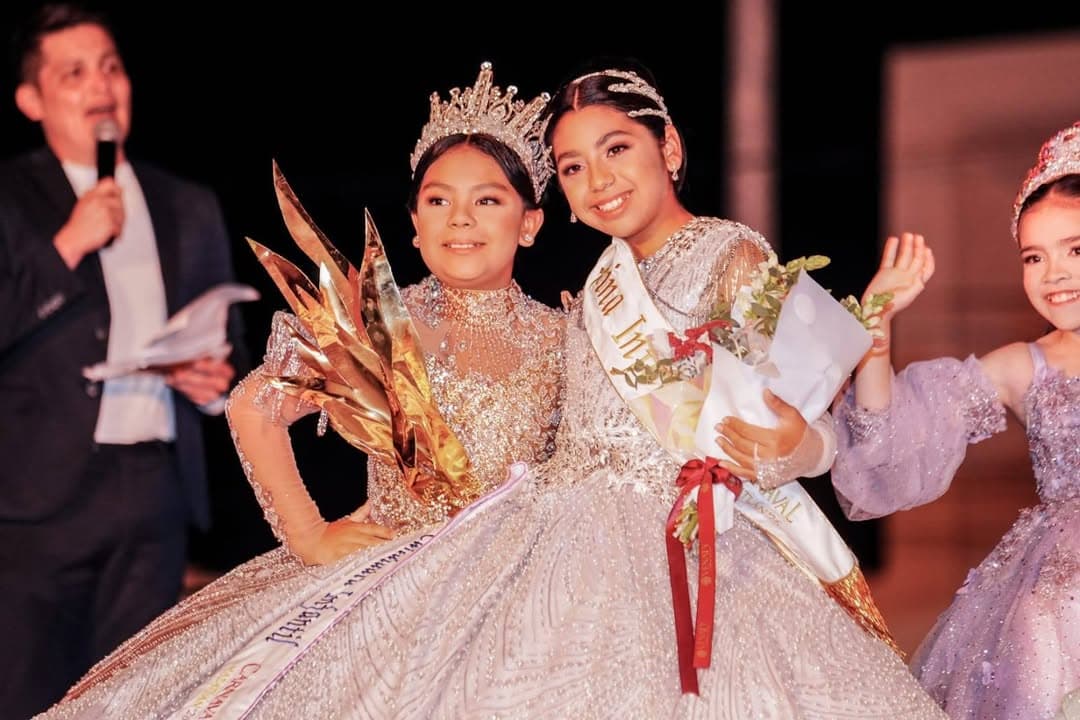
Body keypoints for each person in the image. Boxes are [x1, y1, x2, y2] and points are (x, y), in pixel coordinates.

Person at [35, 61, 565, 718]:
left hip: (523, 605)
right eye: (438, 201)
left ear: (531, 223)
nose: (460, 219)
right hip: (388, 591)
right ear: (413, 224)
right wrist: (311, 536)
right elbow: (255, 407)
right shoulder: (377, 324)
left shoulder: (567, 340)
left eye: (487, 200)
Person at [0, 4, 247, 717]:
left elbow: (222, 345)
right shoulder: (12, 199)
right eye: (73, 73)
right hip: (32, 504)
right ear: (31, 99)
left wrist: (209, 385)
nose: (100, 85)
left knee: (135, 703)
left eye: (110, 66)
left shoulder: (187, 204)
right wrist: (66, 248)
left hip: (152, 489)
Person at [831, 121, 1080, 719]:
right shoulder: (1028, 367)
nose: (1054, 275)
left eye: (1076, 248)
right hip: (1054, 609)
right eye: (1033, 256)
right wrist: (876, 332)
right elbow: (885, 446)